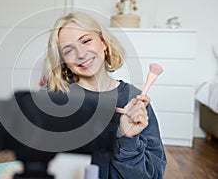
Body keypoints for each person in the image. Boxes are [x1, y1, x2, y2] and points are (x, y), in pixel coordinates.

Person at [42, 11, 167, 178]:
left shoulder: (134, 102)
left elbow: (152, 175)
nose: (81, 54)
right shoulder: (54, 98)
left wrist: (127, 138)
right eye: (68, 50)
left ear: (104, 42)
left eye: (86, 41)